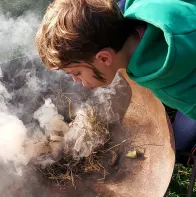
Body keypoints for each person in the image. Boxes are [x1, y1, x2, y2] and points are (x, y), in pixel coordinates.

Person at [35, 0, 196, 165]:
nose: (76, 81)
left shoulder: (173, 88)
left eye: (77, 73)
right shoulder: (132, 7)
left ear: (104, 58)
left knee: (182, 142)